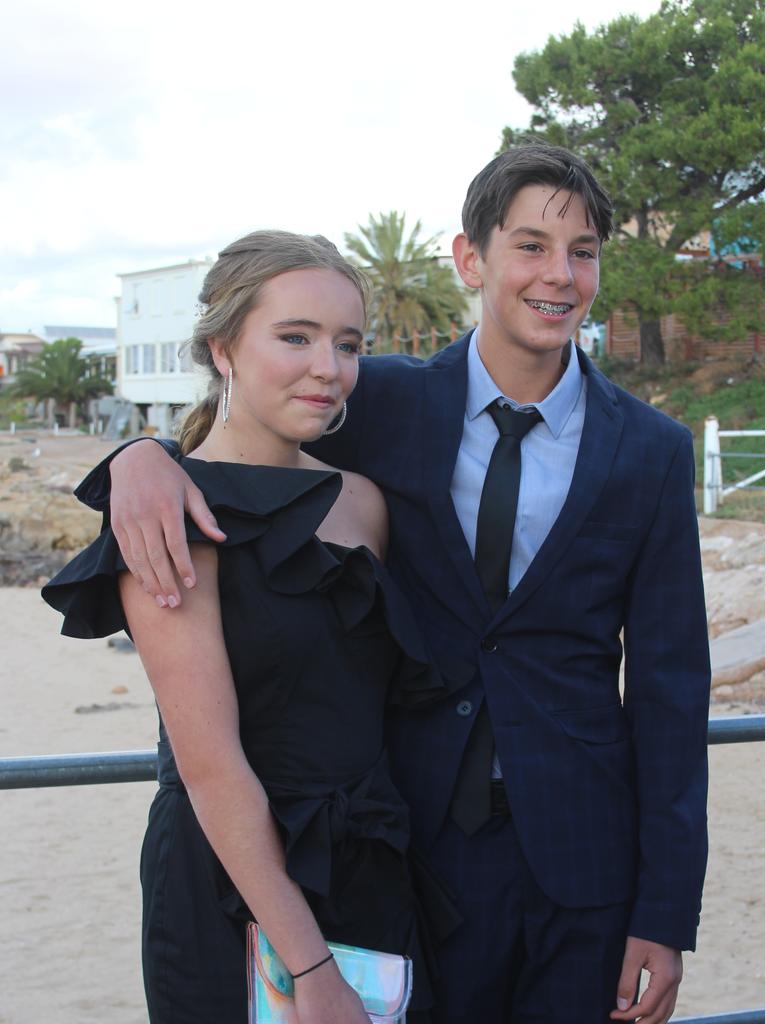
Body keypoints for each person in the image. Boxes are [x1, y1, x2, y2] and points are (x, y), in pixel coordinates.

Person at [75, 143, 711, 1024]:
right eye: (530, 245)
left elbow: (674, 691)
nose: (558, 274)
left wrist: (665, 909)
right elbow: (251, 438)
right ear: (470, 258)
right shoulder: (378, 400)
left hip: (583, 867)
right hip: (413, 850)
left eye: (583, 251)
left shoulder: (650, 450)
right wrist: (139, 458)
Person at [42, 231, 455, 1024]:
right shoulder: (169, 512)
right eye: (294, 337)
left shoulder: (362, 503)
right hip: (232, 886)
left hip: (367, 864)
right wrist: (310, 966)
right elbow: (212, 768)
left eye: (347, 344)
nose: (328, 368)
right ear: (223, 348)